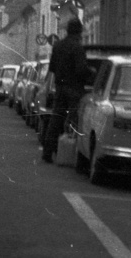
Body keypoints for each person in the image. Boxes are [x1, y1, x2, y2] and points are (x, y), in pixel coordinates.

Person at [41, 18, 90, 163]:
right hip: (74, 89)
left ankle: (48, 152)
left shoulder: (58, 46)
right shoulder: (78, 48)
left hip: (60, 88)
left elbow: (52, 68)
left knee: (55, 120)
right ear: (79, 32)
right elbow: (81, 70)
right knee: (73, 121)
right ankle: (71, 155)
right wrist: (91, 73)